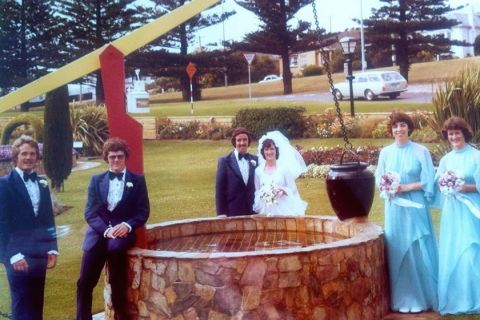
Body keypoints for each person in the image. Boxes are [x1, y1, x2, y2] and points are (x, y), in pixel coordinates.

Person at [76, 137, 149, 320]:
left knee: (117, 276)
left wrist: (127, 225)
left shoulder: (137, 180)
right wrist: (106, 230)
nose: (116, 160)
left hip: (122, 235)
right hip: (99, 233)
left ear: (125, 157)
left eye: (119, 156)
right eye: (112, 157)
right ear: (106, 158)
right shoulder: (96, 180)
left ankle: (121, 315)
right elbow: (90, 213)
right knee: (85, 282)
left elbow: (143, 211)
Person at [375, 111, 438, 313]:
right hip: (394, 210)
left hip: (416, 207)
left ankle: (423, 297)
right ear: (391, 130)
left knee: (417, 249)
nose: (399, 129)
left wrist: (404, 187)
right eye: (395, 126)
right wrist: (388, 187)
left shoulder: (421, 152)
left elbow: (429, 182)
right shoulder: (385, 153)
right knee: (397, 248)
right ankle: (401, 299)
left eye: (402, 125)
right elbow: (379, 179)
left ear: (409, 128)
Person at [0, 135, 58, 320]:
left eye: (32, 154)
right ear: (16, 156)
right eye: (24, 153)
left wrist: (52, 248)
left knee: (36, 303)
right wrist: (13, 255)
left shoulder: (41, 184)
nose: (28, 157)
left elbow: (48, 219)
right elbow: (2, 223)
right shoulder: (4, 185)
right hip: (18, 256)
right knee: (21, 305)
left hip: (39, 254)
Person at [436, 116, 480, 315]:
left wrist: (464, 187)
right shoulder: (446, 160)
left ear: (464, 133)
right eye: (450, 133)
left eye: (457, 132)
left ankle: (475, 297)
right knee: (454, 250)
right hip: (453, 212)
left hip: (472, 211)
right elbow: (438, 183)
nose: (454, 136)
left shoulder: (476, 156)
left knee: (472, 251)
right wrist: (447, 186)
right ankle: (456, 296)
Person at [253, 131, 307, 215]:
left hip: (283, 209)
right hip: (265, 210)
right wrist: (264, 194)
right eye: (266, 149)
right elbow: (257, 191)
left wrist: (282, 190)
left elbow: (293, 189)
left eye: (272, 149)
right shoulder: (258, 171)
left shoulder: (284, 169)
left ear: (276, 150)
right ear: (263, 151)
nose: (269, 152)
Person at [215, 127, 258, 216]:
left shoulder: (256, 160)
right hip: (233, 211)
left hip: (253, 211)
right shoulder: (224, 161)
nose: (242, 143)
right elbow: (220, 190)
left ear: (248, 142)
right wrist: (221, 213)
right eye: (239, 140)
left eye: (245, 140)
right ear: (234, 142)